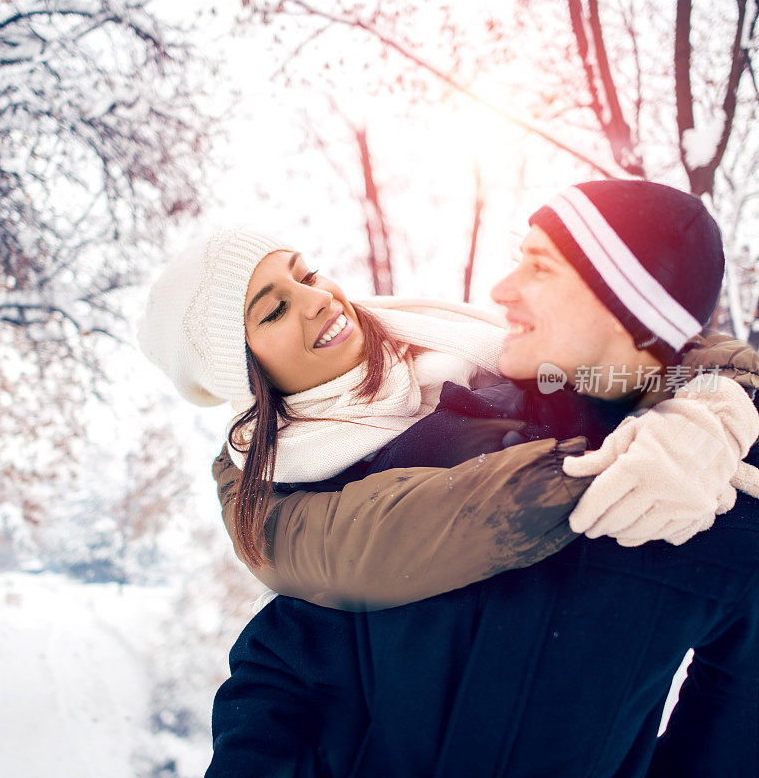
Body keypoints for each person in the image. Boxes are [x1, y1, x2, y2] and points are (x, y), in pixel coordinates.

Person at [139, 180, 759, 775]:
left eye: (306, 273)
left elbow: (639, 362)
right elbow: (289, 669)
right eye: (274, 308)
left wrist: (707, 408)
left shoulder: (526, 382)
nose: (317, 298)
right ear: (245, 372)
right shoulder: (306, 506)